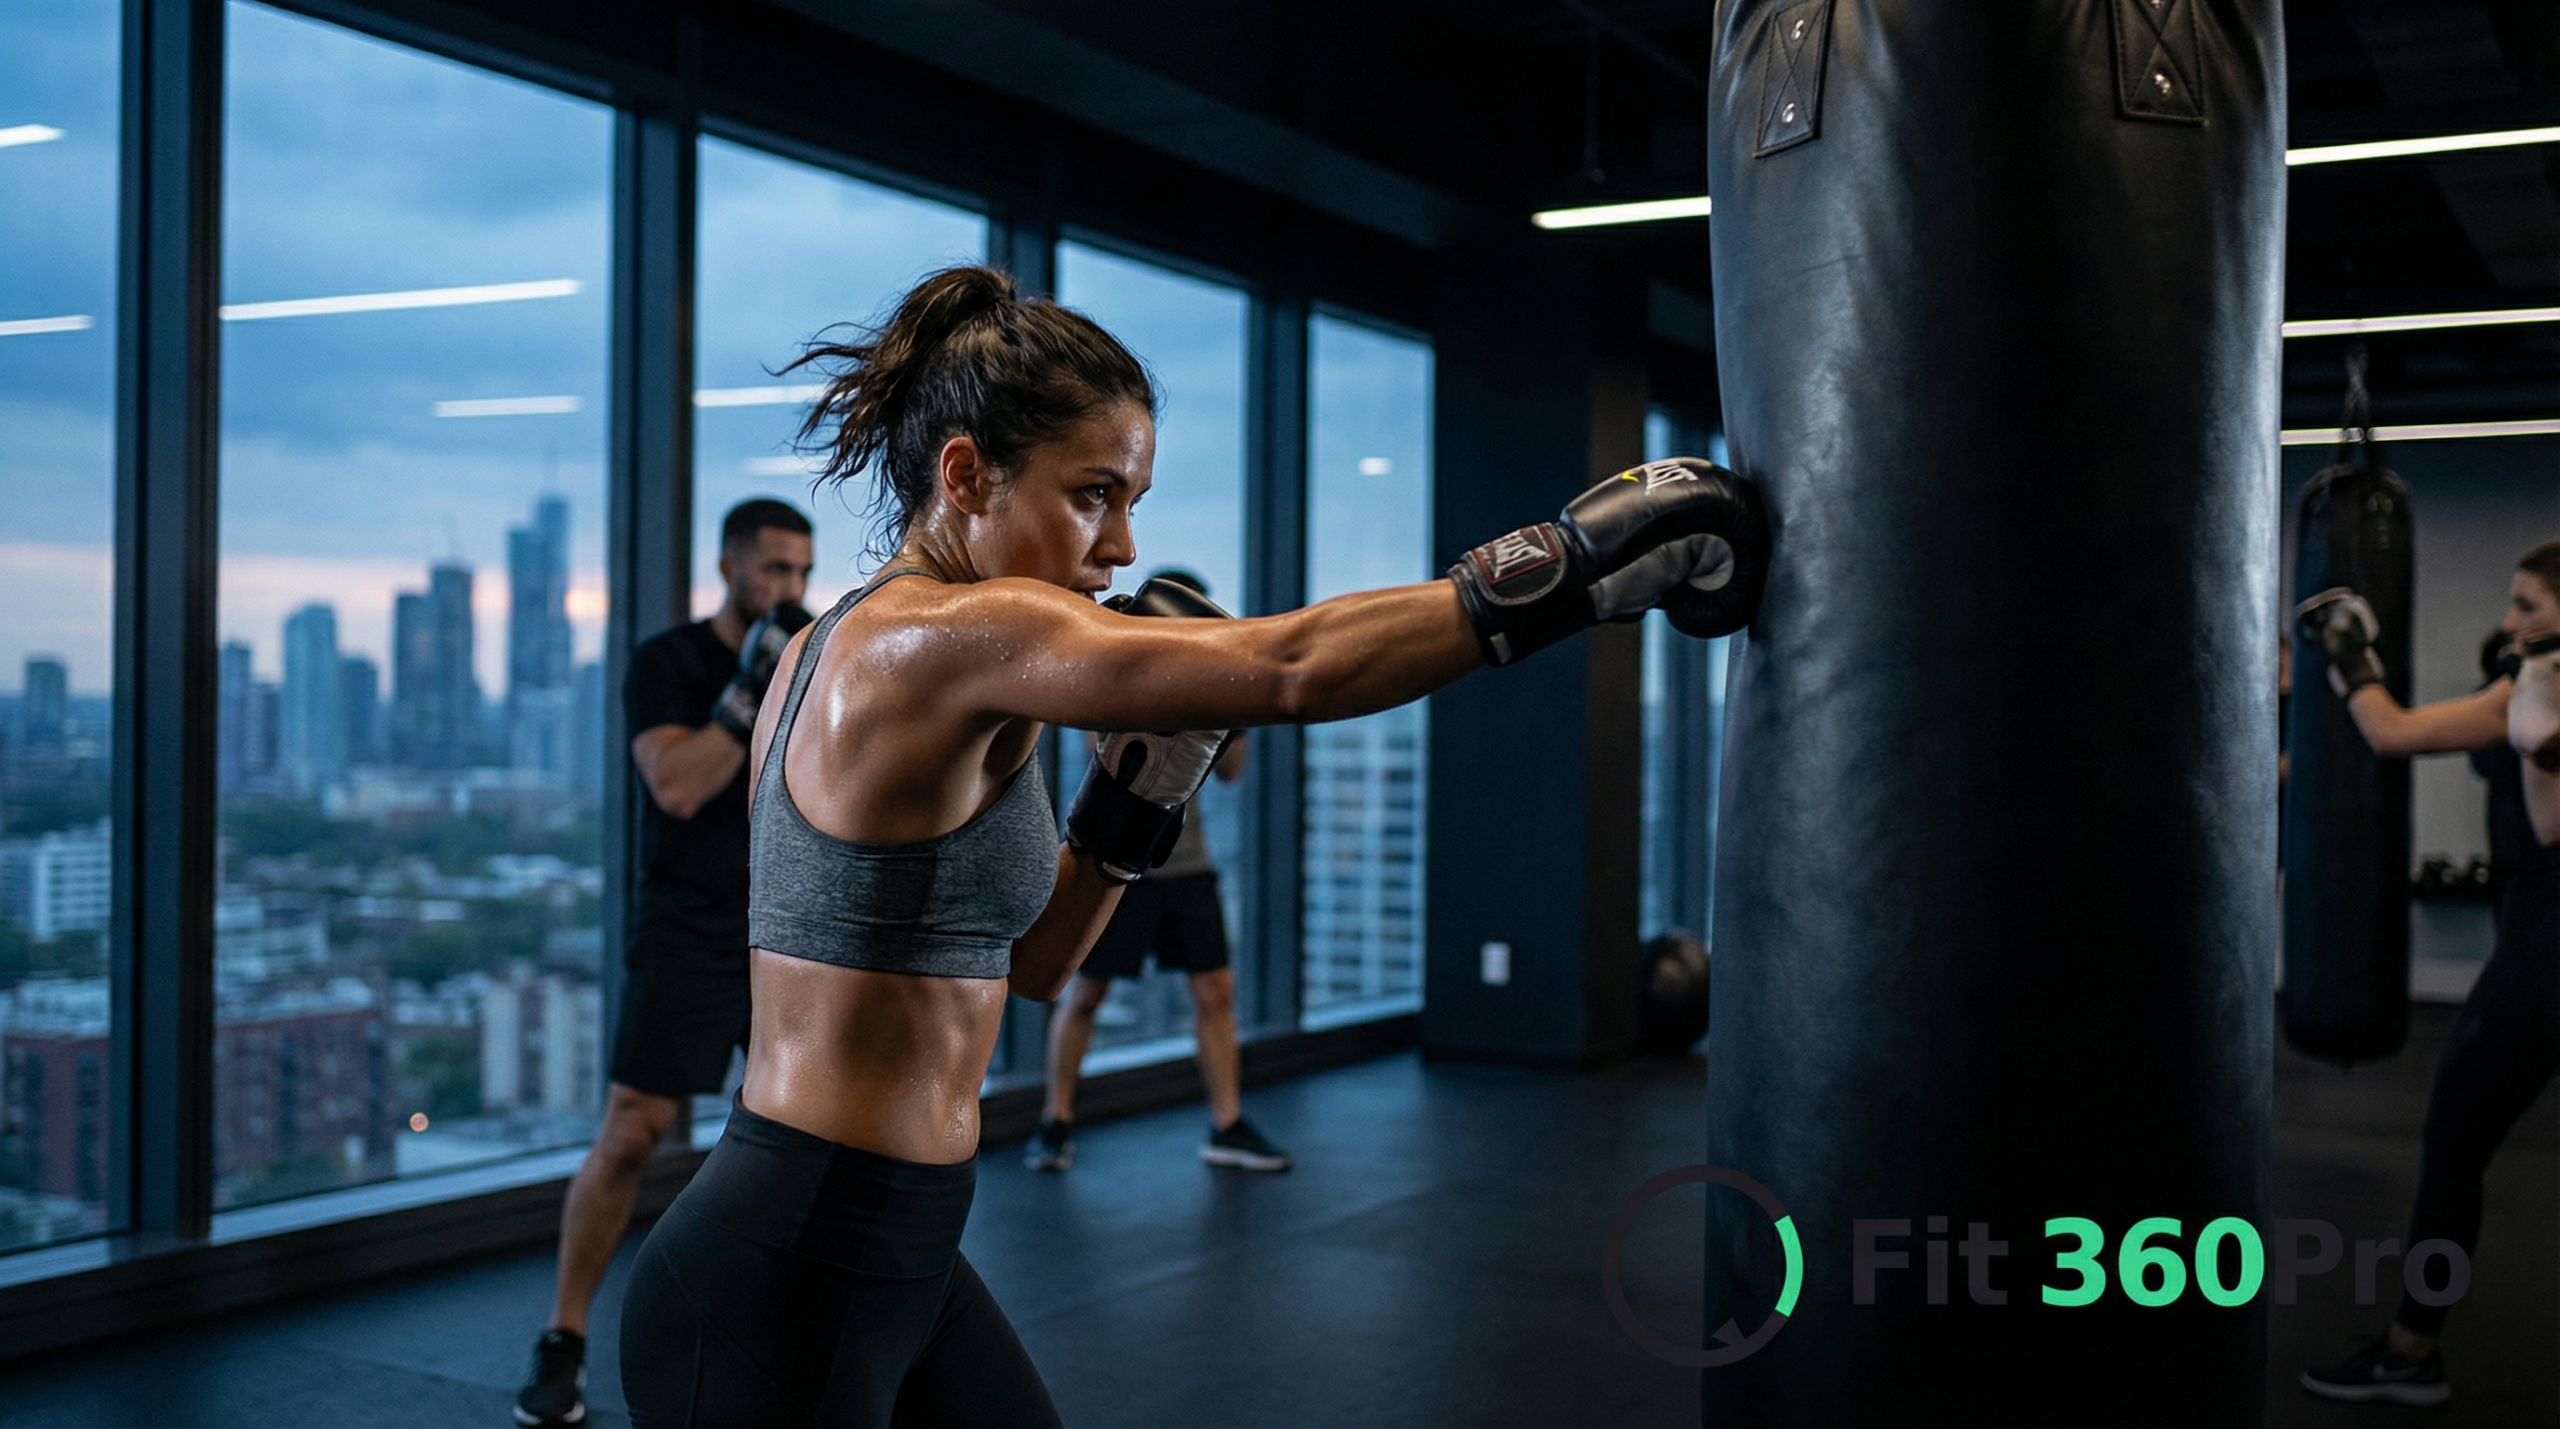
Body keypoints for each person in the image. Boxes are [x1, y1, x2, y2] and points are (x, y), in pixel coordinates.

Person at [614, 264, 1766, 1426]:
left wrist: (1134, 803)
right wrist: (1582, 564)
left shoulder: (849, 651)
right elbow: (1290, 667)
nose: (1119, 546)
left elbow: (1028, 966)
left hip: (889, 1249)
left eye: (1133, 500)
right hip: (789, 1273)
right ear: (964, 474)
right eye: (1092, 494)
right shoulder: (941, 636)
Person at [515, 499, 815, 1429]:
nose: (788, 589)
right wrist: (742, 692)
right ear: (729, 566)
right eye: (772, 569)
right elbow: (679, 784)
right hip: (688, 922)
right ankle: (563, 1339)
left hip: (787, 923)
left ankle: (791, 1342)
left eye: (802, 572)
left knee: (805, 1139)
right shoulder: (668, 663)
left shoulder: (807, 660)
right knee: (634, 1131)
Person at [2297, 539, 2560, 1406]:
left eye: (2526, 605)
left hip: (2547, 951)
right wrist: (2350, 657)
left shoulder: (2537, 695)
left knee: (2452, 1146)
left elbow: (2549, 806)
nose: (2507, 619)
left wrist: (2534, 694)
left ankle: (2411, 1350)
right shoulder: (2523, 685)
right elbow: (2392, 731)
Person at [1026, 567, 1281, 1175]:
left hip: (1187, 861)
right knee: (1084, 991)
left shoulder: (1211, 687)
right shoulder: (1121, 677)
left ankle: (1227, 1123)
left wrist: (1229, 696)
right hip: (1117, 861)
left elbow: (1232, 770)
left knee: (1216, 992)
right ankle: (1054, 1119)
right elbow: (1102, 752)